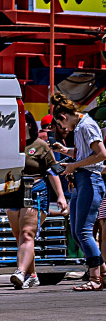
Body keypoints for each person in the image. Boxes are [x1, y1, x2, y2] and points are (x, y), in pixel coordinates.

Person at [50, 92, 106, 291]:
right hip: (83, 180)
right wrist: (66, 153)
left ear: (63, 117)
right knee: (76, 231)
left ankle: (95, 278)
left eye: (60, 124)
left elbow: (101, 154)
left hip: (90, 180)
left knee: (83, 231)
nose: (64, 129)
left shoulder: (87, 126)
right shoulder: (82, 126)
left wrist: (73, 166)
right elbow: (85, 153)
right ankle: (102, 272)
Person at [8, 112, 68, 289]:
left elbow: (52, 171)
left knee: (27, 234)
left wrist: (61, 196)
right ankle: (32, 275)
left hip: (35, 190)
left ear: (29, 124)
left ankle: (20, 272)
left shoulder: (40, 145)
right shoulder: (11, 145)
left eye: (21, 122)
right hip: (13, 192)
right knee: (20, 236)